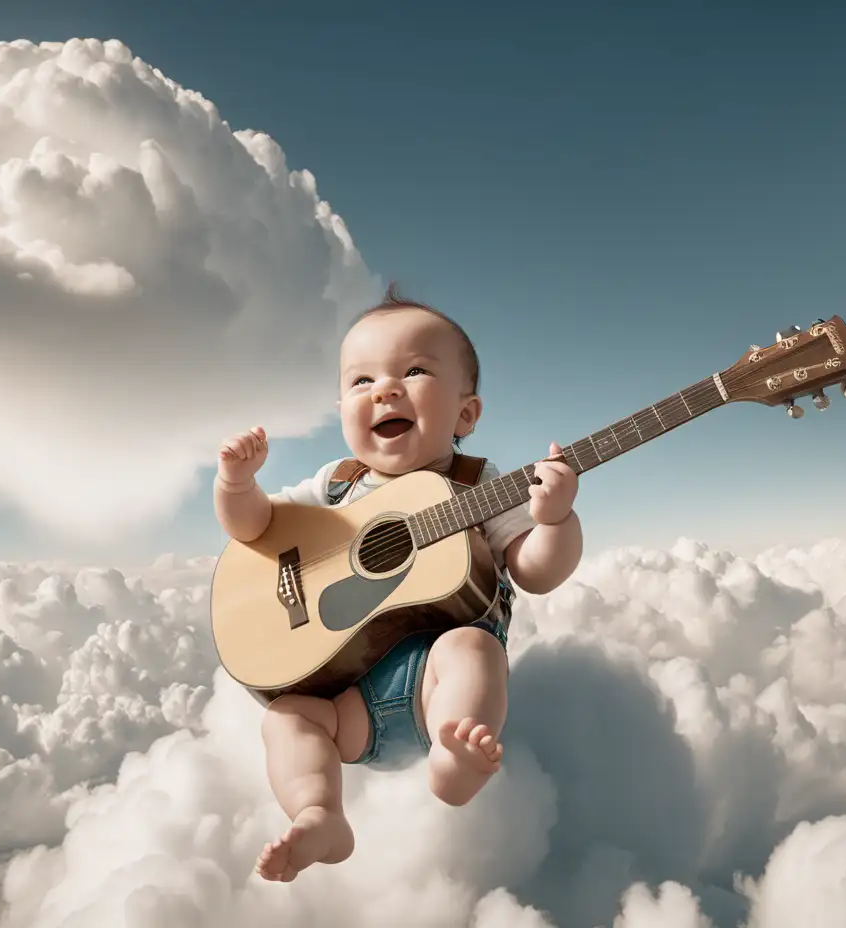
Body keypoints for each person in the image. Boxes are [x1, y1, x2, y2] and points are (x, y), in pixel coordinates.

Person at [213, 286, 583, 883]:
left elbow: (536, 571)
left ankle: (455, 756)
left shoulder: (476, 484)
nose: (384, 389)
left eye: (414, 371)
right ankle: (319, 813)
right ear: (340, 411)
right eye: (361, 381)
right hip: (347, 702)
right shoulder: (334, 486)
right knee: (287, 719)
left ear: (466, 413)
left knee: (473, 647)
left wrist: (556, 520)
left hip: (432, 694)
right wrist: (236, 486)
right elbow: (253, 530)